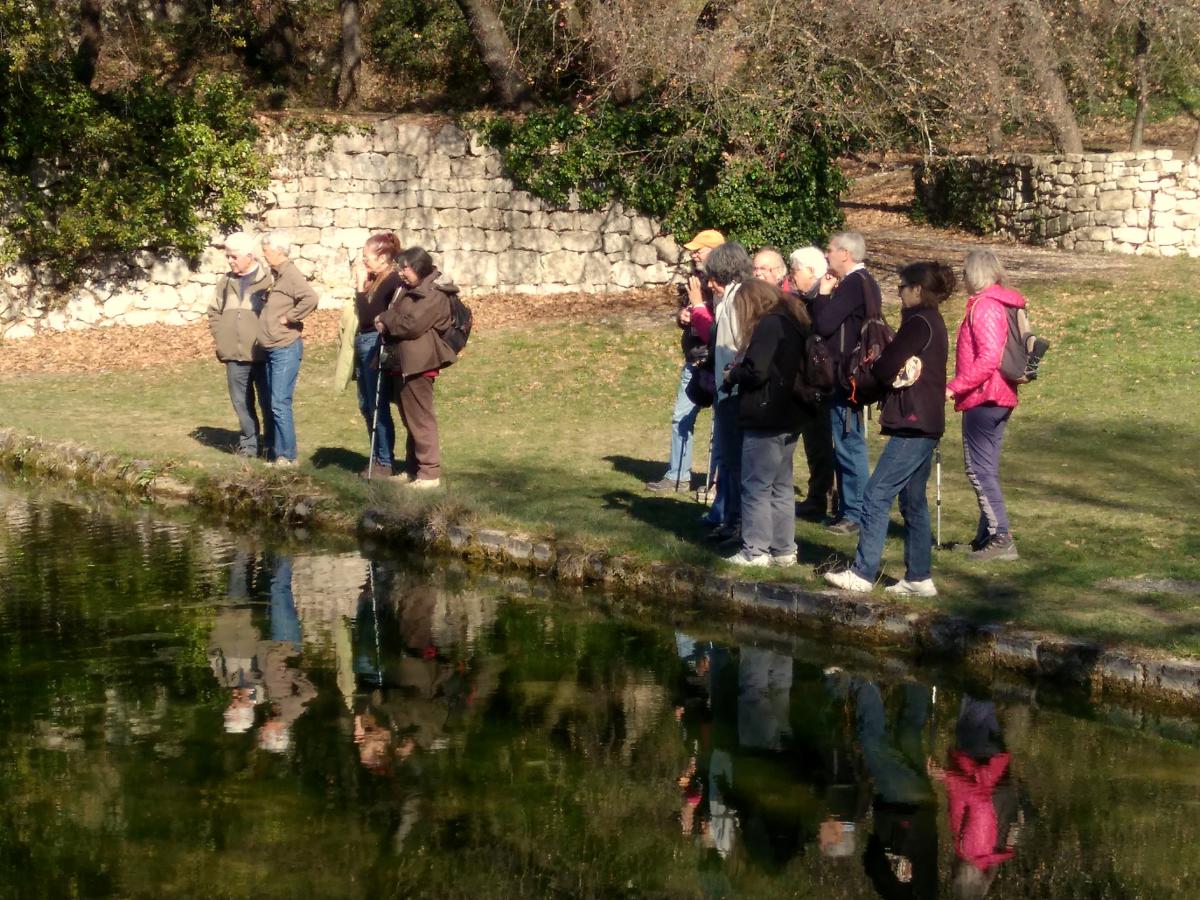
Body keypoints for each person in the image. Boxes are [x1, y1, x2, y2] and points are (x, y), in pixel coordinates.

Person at [824, 261, 953, 597]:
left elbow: (885, 367)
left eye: (902, 287)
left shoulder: (919, 323)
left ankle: (862, 573)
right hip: (926, 422)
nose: (899, 293)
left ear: (917, 290)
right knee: (912, 500)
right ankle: (919, 577)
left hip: (913, 423)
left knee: (876, 493)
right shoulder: (933, 321)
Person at [721, 279, 812, 567]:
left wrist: (733, 374)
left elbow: (757, 371)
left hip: (765, 413)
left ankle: (755, 550)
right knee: (781, 485)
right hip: (789, 413)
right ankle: (783, 549)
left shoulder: (769, 324)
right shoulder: (793, 321)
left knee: (756, 485)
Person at [946, 250, 1023, 562]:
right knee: (986, 469)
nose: (963, 279)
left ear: (974, 274)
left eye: (965, 273)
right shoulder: (1002, 302)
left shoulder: (986, 306)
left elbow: (989, 358)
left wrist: (955, 387)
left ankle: (1001, 537)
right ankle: (987, 535)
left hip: (986, 395)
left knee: (978, 470)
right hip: (999, 394)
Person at [812, 230, 882, 536]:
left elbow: (824, 325)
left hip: (846, 376)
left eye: (830, 250)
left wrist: (823, 294)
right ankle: (847, 509)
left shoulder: (854, 283)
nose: (827, 255)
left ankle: (855, 512)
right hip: (855, 374)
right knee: (848, 441)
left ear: (845, 253)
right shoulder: (867, 282)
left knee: (849, 443)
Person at [646, 229, 724, 493]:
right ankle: (677, 476)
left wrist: (700, 308)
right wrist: (682, 316)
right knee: (681, 418)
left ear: (715, 250)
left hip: (718, 362)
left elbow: (718, 331)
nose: (694, 255)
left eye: (699, 250)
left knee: (720, 426)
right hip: (694, 361)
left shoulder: (727, 284)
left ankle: (717, 483)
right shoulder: (695, 279)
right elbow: (686, 310)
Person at [376, 246, 458, 488]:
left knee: (421, 419)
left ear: (419, 267)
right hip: (404, 361)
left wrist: (385, 319)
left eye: (405, 268)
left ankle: (429, 474)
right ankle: (413, 470)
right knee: (410, 419)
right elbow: (397, 315)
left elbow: (410, 325)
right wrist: (389, 318)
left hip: (419, 364)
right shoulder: (409, 289)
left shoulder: (433, 294)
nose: (401, 273)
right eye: (400, 268)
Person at [206, 232, 273, 459]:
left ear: (249, 256)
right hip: (234, 355)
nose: (229, 261)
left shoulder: (269, 280)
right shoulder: (225, 282)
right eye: (228, 256)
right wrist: (221, 336)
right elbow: (213, 311)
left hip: (263, 354)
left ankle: (272, 445)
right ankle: (248, 446)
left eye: (234, 256)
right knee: (241, 403)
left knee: (269, 402)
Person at [704, 242, 754, 543]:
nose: (709, 283)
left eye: (712, 276)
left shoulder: (737, 301)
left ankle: (738, 524)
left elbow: (738, 346)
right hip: (728, 391)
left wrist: (729, 378)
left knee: (735, 463)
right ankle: (731, 519)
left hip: (733, 392)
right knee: (730, 462)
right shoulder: (732, 298)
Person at [257, 232, 319, 467]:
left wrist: (290, 317)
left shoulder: (291, 274)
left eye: (266, 251)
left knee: (280, 402)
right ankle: (278, 453)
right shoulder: (278, 276)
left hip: (285, 348)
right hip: (272, 347)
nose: (264, 255)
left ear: (279, 251)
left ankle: (288, 456)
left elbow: (310, 298)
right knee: (273, 402)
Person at [785, 246, 837, 520]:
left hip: (823, 381)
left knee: (822, 442)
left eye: (795, 270)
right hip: (806, 381)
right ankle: (818, 497)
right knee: (814, 443)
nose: (792, 275)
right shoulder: (801, 299)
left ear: (812, 271)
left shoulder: (825, 298)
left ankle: (824, 499)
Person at [352, 232, 404, 479]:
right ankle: (376, 456)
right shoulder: (376, 279)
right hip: (363, 342)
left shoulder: (391, 281)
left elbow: (367, 316)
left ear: (383, 258)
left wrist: (359, 286)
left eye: (367, 257)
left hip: (375, 342)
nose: (364, 262)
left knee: (376, 404)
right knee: (365, 404)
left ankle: (385, 460)